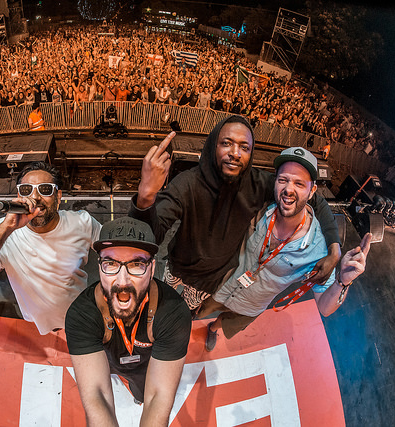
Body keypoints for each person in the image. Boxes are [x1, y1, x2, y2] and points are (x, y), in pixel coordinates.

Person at [129, 116, 342, 312]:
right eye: (226, 143)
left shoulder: (259, 184)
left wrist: (334, 250)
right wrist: (146, 196)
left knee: (185, 311)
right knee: (161, 299)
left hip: (211, 279)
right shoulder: (187, 184)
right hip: (177, 264)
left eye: (244, 147)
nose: (235, 152)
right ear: (213, 146)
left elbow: (316, 201)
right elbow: (147, 237)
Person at [197, 147, 372, 349]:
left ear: (312, 191)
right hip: (222, 286)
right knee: (198, 311)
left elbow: (325, 308)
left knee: (224, 322)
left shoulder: (318, 251)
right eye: (283, 180)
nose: (289, 189)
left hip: (250, 306)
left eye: (299, 183)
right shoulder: (260, 206)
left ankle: (212, 328)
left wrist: (343, 281)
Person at [65, 217, 191, 425]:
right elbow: (97, 394)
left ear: (152, 269)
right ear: (99, 267)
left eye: (137, 264)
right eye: (110, 263)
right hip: (108, 360)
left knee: (142, 392)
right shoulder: (82, 315)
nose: (122, 281)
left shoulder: (173, 313)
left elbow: (158, 396)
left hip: (147, 365)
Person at [0, 162, 101, 334]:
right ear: (19, 196)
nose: (35, 197)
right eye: (27, 190)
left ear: (58, 197)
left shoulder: (82, 223)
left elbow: (115, 253)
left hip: (79, 310)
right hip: (37, 315)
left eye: (45, 189)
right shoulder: (4, 230)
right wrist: (7, 228)